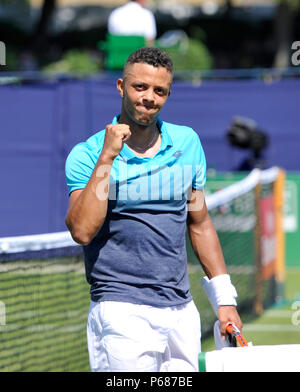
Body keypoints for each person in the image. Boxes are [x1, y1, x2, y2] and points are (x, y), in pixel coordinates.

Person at [65, 47, 242, 372]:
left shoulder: (187, 143)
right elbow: (82, 230)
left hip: (181, 312)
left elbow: (199, 222)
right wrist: (107, 157)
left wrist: (224, 298)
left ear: (168, 94)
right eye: (140, 87)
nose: (149, 97)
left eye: (159, 90)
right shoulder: (88, 154)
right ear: (121, 87)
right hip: (120, 311)